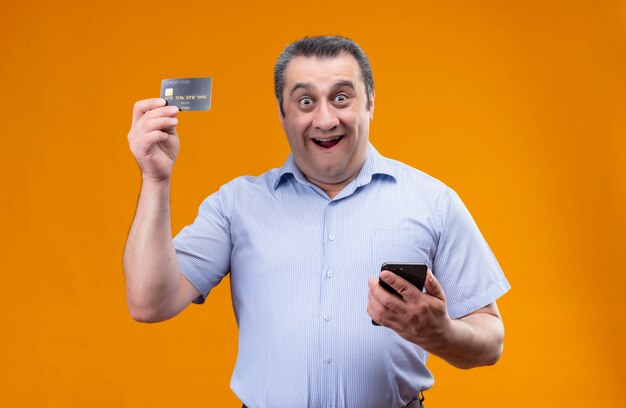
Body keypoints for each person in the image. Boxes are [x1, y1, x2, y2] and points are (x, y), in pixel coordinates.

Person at [124, 35, 510, 408]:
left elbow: (490, 342)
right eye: (305, 101)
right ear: (282, 112)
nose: (325, 119)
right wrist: (156, 180)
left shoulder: (433, 202)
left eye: (341, 97)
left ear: (370, 102)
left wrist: (441, 333)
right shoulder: (236, 205)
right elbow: (149, 302)